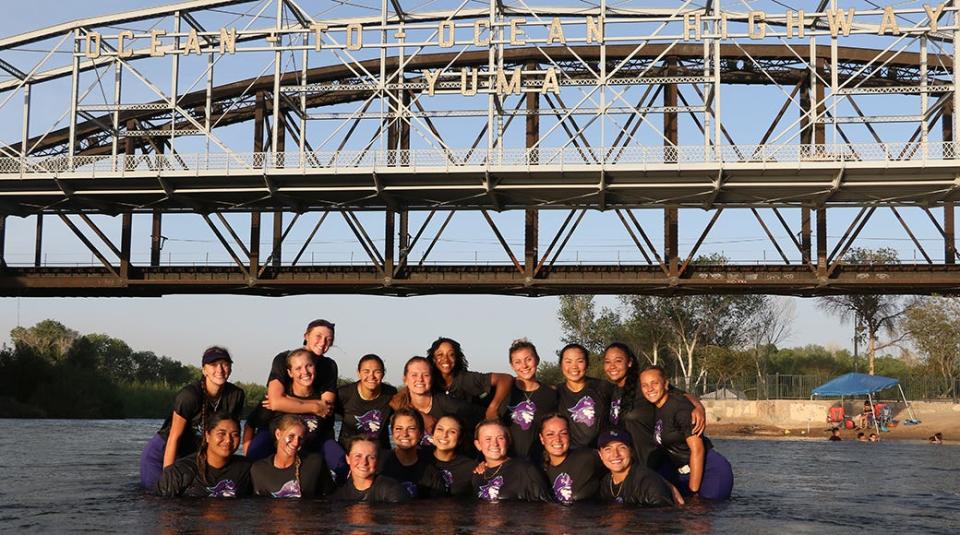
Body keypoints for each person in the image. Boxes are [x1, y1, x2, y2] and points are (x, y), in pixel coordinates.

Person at [140, 346, 245, 490]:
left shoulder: (236, 395)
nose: (220, 369)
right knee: (161, 499)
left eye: (225, 364)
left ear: (230, 368)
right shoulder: (189, 396)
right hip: (164, 452)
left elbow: (229, 434)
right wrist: (169, 477)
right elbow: (174, 437)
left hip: (195, 454)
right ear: (204, 370)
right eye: (213, 365)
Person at [258, 320, 345, 479]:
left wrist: (288, 400)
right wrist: (313, 406)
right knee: (254, 454)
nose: (323, 342)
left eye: (329, 339)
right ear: (306, 335)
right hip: (279, 425)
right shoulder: (284, 359)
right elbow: (275, 401)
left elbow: (326, 408)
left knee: (341, 464)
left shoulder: (329, 366)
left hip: (318, 429)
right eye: (318, 336)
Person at [602, 343, 706, 468]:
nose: (612, 366)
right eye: (607, 362)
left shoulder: (644, 386)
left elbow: (681, 395)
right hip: (630, 465)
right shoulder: (612, 391)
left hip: (653, 463)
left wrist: (699, 407)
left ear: (629, 362)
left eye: (618, 361)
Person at [640, 365, 734, 501]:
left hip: (710, 470)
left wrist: (693, 491)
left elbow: (698, 450)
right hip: (683, 471)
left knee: (697, 512)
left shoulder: (680, 408)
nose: (650, 389)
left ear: (665, 384)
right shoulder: (655, 408)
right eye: (645, 385)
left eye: (654, 383)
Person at [245, 349, 333, 460]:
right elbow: (250, 424)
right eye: (298, 368)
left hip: (309, 456)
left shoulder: (323, 397)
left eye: (309, 365)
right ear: (290, 373)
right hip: (279, 455)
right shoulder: (275, 399)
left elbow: (328, 425)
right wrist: (247, 455)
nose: (305, 372)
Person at [156, 414, 252, 497]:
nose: (228, 440)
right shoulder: (179, 472)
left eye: (235, 435)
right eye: (221, 434)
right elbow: (162, 508)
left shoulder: (246, 469)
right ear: (207, 436)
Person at [390, 356, 475, 448]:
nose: (420, 379)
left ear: (432, 379)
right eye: (414, 375)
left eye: (426, 375)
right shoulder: (398, 403)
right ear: (405, 380)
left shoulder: (450, 405)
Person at [427, 337, 513, 420]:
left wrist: (493, 407)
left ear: (456, 358)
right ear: (433, 359)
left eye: (451, 354)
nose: (445, 359)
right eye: (440, 355)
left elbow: (506, 379)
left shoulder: (466, 378)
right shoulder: (428, 382)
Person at [250, 415, 335, 498]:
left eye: (300, 438)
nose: (296, 443)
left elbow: (329, 497)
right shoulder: (259, 470)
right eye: (291, 436)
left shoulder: (315, 463)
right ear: (278, 434)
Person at [472, 419, 551, 502]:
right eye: (488, 439)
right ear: (478, 445)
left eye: (500, 438)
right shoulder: (478, 475)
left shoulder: (525, 470)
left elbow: (545, 508)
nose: (495, 443)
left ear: (508, 441)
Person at [505, 339, 558, 460]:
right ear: (512, 365)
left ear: (537, 360)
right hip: (507, 463)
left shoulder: (550, 394)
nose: (524, 366)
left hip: (538, 462)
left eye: (528, 359)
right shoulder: (504, 391)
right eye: (517, 362)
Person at [377, 408, 447, 498]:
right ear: (392, 432)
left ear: (421, 433)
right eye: (398, 429)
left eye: (411, 429)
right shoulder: (379, 464)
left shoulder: (432, 474)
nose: (404, 434)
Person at [596, 429, 676, 506]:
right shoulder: (606, 483)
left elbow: (662, 516)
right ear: (600, 455)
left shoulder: (647, 482)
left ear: (631, 451)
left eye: (622, 447)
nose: (616, 454)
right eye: (608, 449)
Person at [335, 354, 397, 450]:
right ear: (358, 373)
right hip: (348, 453)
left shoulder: (390, 394)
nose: (371, 376)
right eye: (366, 371)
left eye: (377, 372)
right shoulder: (344, 394)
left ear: (383, 374)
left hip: (379, 453)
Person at [538, 413, 603, 504]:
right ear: (541, 438)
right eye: (550, 434)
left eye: (563, 433)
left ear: (570, 435)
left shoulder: (588, 457)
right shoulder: (539, 471)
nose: (557, 439)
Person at [556, 343, 612, 449]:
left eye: (580, 361)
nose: (574, 366)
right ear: (561, 365)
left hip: (602, 454)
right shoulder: (555, 393)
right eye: (568, 361)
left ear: (587, 364)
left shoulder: (603, 388)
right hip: (572, 457)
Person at [331, 435, 410, 503]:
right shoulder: (340, 496)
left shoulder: (392, 490)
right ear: (347, 459)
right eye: (358, 456)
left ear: (378, 461)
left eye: (371, 457)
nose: (364, 462)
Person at [430, 415, 479, 497]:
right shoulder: (419, 457)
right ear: (432, 434)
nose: (444, 435)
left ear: (460, 439)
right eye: (440, 429)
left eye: (452, 431)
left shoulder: (471, 467)